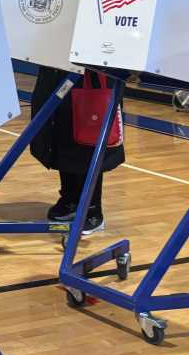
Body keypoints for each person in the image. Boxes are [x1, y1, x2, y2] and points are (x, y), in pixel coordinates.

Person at [29, 65, 124, 234]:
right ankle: (70, 199)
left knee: (87, 141)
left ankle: (92, 209)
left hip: (92, 74)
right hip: (58, 68)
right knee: (61, 134)